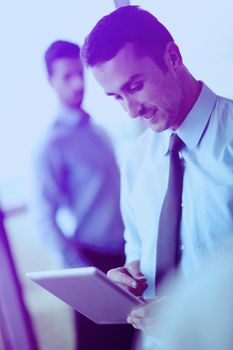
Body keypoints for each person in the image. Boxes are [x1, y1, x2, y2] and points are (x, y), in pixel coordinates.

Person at [81, 4, 233, 341]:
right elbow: (136, 248)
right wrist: (128, 277)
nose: (131, 111)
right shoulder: (136, 161)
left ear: (173, 58)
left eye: (134, 87)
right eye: (116, 97)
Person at [32, 40, 135, 350]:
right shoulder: (51, 145)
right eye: (67, 76)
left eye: (80, 73)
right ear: (51, 81)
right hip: (95, 263)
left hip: (127, 258)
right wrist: (86, 280)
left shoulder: (98, 132)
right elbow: (43, 219)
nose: (78, 83)